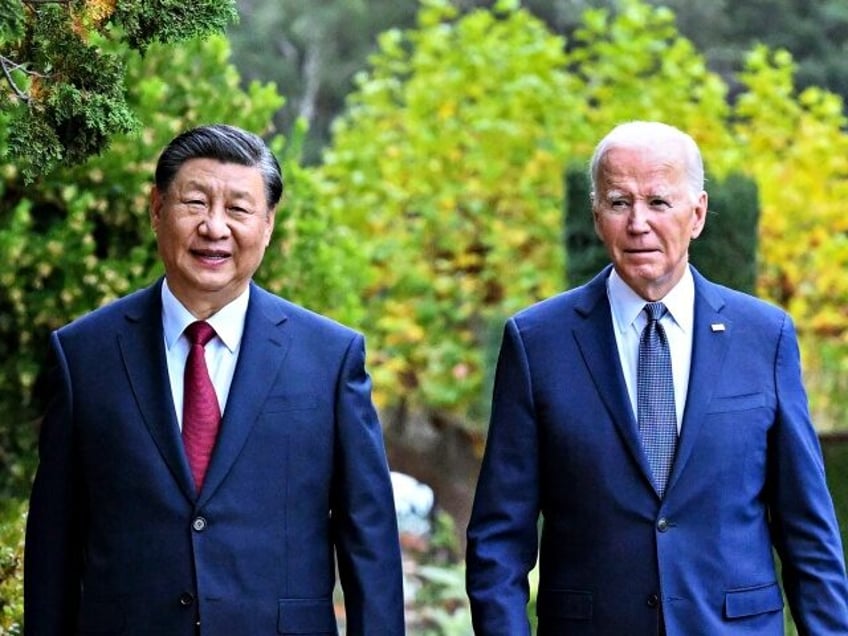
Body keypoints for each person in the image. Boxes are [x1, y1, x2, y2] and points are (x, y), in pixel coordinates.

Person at [465, 121, 848, 634]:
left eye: (659, 202)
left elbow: (808, 533)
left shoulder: (765, 336)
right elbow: (498, 541)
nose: (638, 223)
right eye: (619, 202)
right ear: (597, 216)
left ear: (698, 214)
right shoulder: (538, 343)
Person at [24, 124, 405, 635]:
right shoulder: (83, 355)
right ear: (157, 209)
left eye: (239, 209)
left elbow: (369, 542)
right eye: (196, 202)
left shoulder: (330, 359)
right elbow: (54, 546)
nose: (215, 227)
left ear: (268, 224)